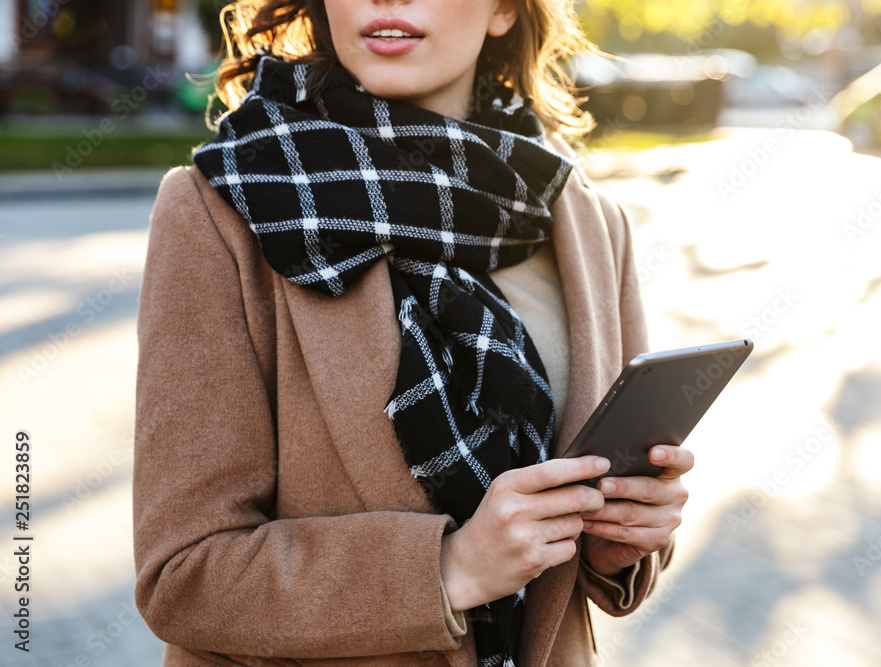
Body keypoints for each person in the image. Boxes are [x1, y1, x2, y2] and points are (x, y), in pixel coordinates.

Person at [131, 0, 693, 664]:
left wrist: (628, 531)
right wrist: (450, 569)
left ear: (506, 12)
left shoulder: (588, 222)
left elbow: (600, 552)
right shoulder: (220, 208)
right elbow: (185, 576)